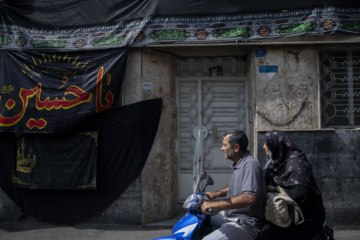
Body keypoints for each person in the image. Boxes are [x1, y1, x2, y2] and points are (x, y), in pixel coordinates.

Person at [260, 130, 326, 240]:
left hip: (303, 217)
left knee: (266, 234)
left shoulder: (296, 163)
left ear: (276, 144)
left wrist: (274, 190)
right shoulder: (274, 163)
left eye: (266, 143)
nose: (263, 146)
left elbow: (300, 194)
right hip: (283, 212)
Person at [201, 130, 267, 240]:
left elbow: (249, 198)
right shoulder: (239, 163)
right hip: (231, 216)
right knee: (203, 218)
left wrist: (216, 204)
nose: (222, 148)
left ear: (236, 147)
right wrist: (215, 195)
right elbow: (236, 187)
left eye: (225, 145)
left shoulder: (250, 164)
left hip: (246, 223)